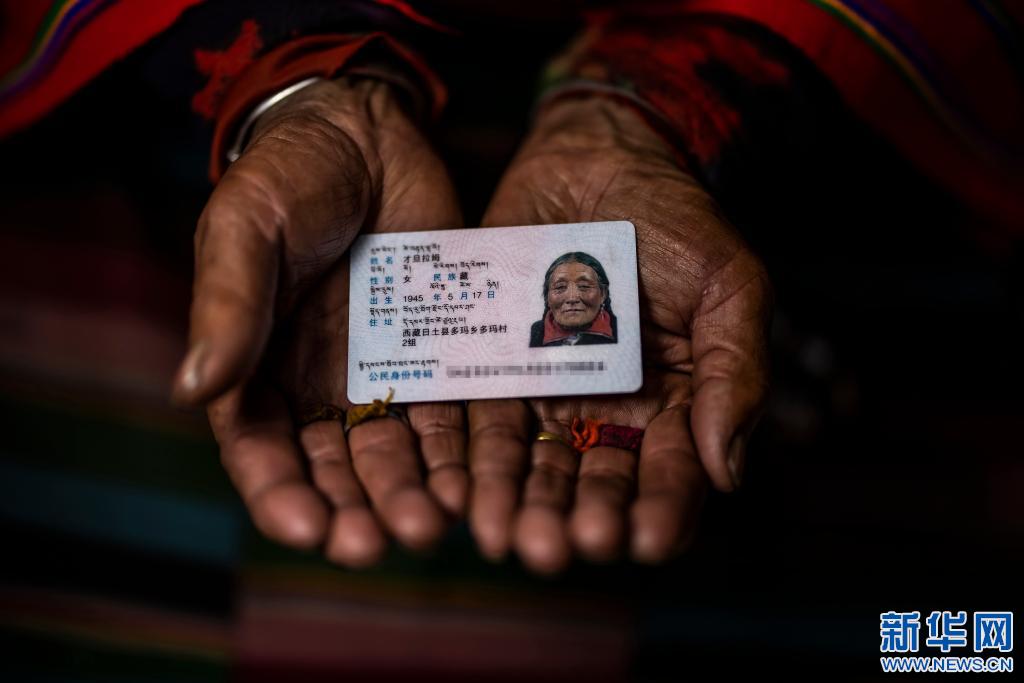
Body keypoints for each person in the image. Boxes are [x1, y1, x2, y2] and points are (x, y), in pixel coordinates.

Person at [3, 0, 1020, 576]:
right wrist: (296, 86)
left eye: (582, 289)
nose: (572, 302)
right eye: (564, 290)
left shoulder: (596, 323)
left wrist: (652, 108)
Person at [529, 252, 618, 347]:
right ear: (547, 297)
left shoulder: (621, 329)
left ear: (603, 294)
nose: (572, 298)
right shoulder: (535, 334)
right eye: (560, 287)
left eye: (584, 286)